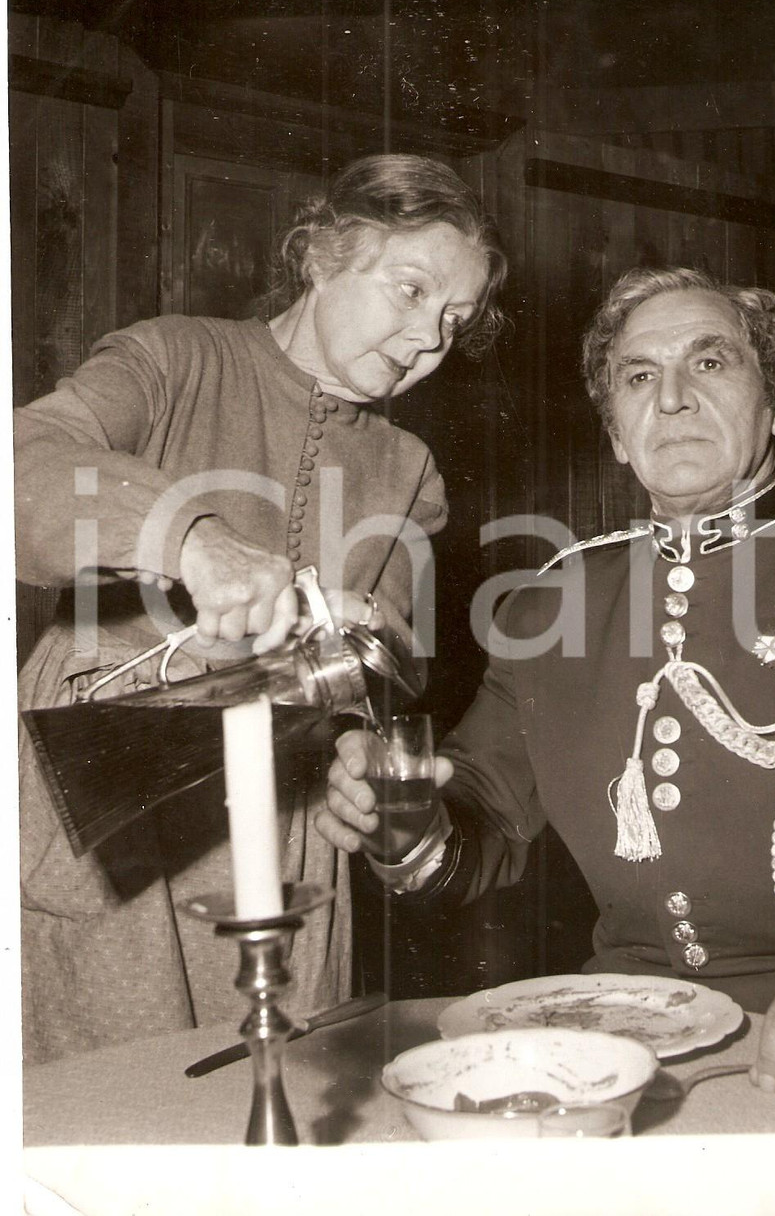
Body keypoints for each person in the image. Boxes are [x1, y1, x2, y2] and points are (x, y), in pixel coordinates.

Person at [320, 266, 775, 1106]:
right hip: (619, 1047)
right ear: (615, 431)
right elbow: (480, 828)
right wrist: (403, 818)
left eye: (709, 364)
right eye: (639, 377)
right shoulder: (550, 606)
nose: (670, 399)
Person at [16, 153, 506, 1063]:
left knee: (276, 1109)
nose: (427, 338)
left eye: (454, 320)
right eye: (409, 290)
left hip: (280, 844)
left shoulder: (407, 470)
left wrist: (364, 749)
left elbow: (385, 665)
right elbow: (24, 467)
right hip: (101, 825)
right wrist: (189, 539)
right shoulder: (171, 359)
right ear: (322, 254)